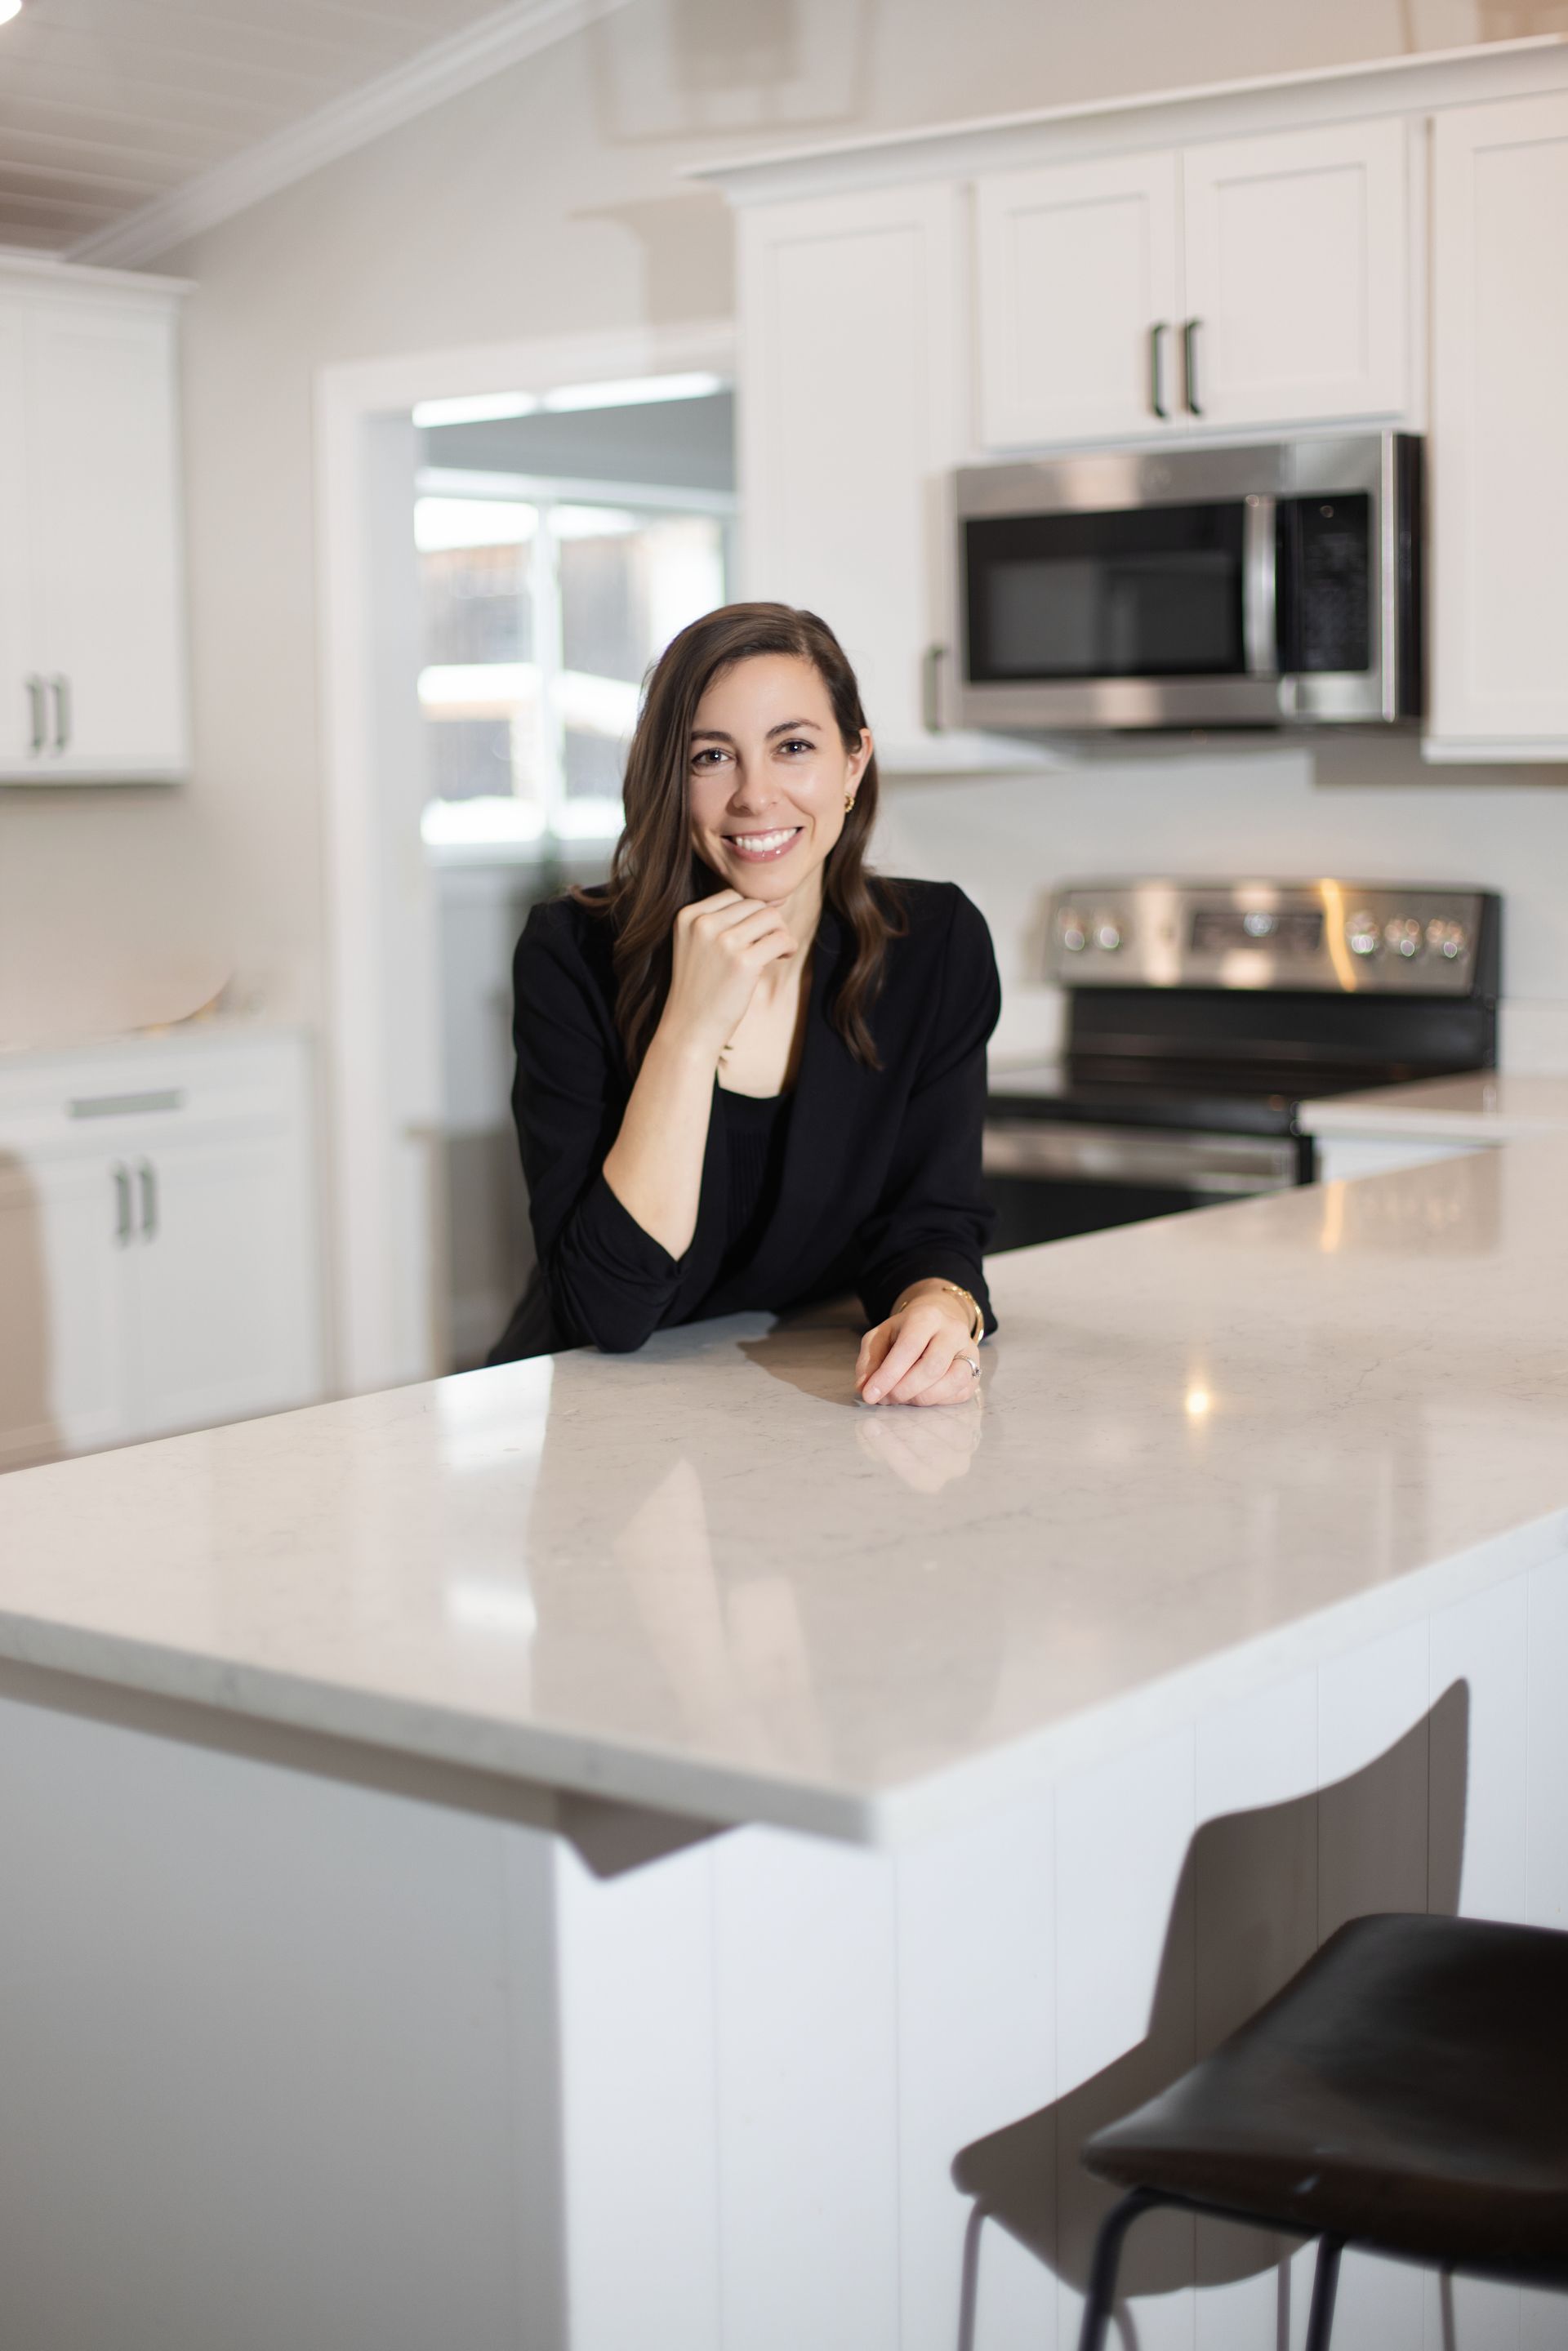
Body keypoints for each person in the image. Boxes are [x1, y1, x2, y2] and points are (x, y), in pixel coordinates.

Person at [488, 602, 1000, 1407]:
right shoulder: (571, 955)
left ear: (854, 764)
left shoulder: (931, 945)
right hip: (603, 1413)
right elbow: (610, 1312)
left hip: (803, 1401)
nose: (756, 797)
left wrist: (939, 1301)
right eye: (710, 757)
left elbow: (930, 1219)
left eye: (793, 747)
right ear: (668, 777)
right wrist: (689, 1031)